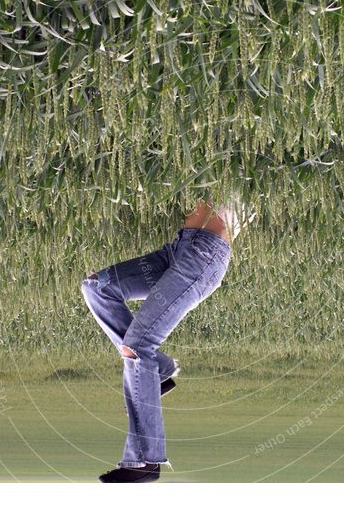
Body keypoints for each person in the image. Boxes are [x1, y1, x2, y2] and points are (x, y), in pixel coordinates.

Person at [81, 191, 256, 483]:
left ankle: (145, 461)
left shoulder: (250, 173)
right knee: (96, 287)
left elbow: (243, 202)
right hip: (177, 250)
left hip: (203, 258)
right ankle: (158, 374)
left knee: (138, 347)